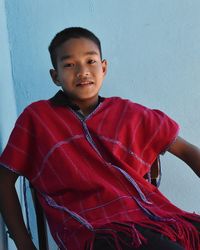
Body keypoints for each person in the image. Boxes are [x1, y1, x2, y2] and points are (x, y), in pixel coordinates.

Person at [0, 27, 199, 250]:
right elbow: (4, 180)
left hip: (153, 218)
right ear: (55, 76)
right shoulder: (37, 118)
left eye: (90, 61)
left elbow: (186, 150)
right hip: (93, 230)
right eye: (69, 65)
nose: (82, 71)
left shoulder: (127, 112)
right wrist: (24, 243)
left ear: (103, 68)